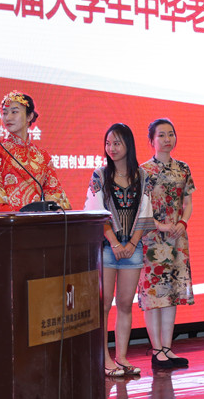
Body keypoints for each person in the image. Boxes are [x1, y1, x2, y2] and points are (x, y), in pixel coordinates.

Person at [85, 123, 155, 378]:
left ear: (128, 145)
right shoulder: (100, 175)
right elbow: (95, 212)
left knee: (125, 304)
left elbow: (146, 213)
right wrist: (115, 243)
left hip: (132, 249)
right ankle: (104, 358)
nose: (111, 148)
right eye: (108, 143)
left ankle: (122, 357)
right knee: (104, 305)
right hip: (106, 248)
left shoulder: (143, 176)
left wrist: (132, 244)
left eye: (116, 143)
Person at [138, 118, 195, 369]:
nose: (167, 139)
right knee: (154, 295)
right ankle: (157, 350)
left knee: (171, 294)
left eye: (170, 134)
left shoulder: (183, 168)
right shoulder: (143, 171)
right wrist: (160, 226)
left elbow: (188, 202)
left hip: (176, 239)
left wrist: (182, 222)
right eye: (161, 135)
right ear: (151, 140)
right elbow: (140, 208)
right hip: (152, 238)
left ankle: (168, 348)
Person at [0, 90, 70, 213]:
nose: (8, 118)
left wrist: (47, 215)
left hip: (40, 222)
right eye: (4, 113)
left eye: (14, 112)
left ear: (29, 116)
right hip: (11, 221)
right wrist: (17, 218)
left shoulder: (42, 156)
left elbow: (54, 193)